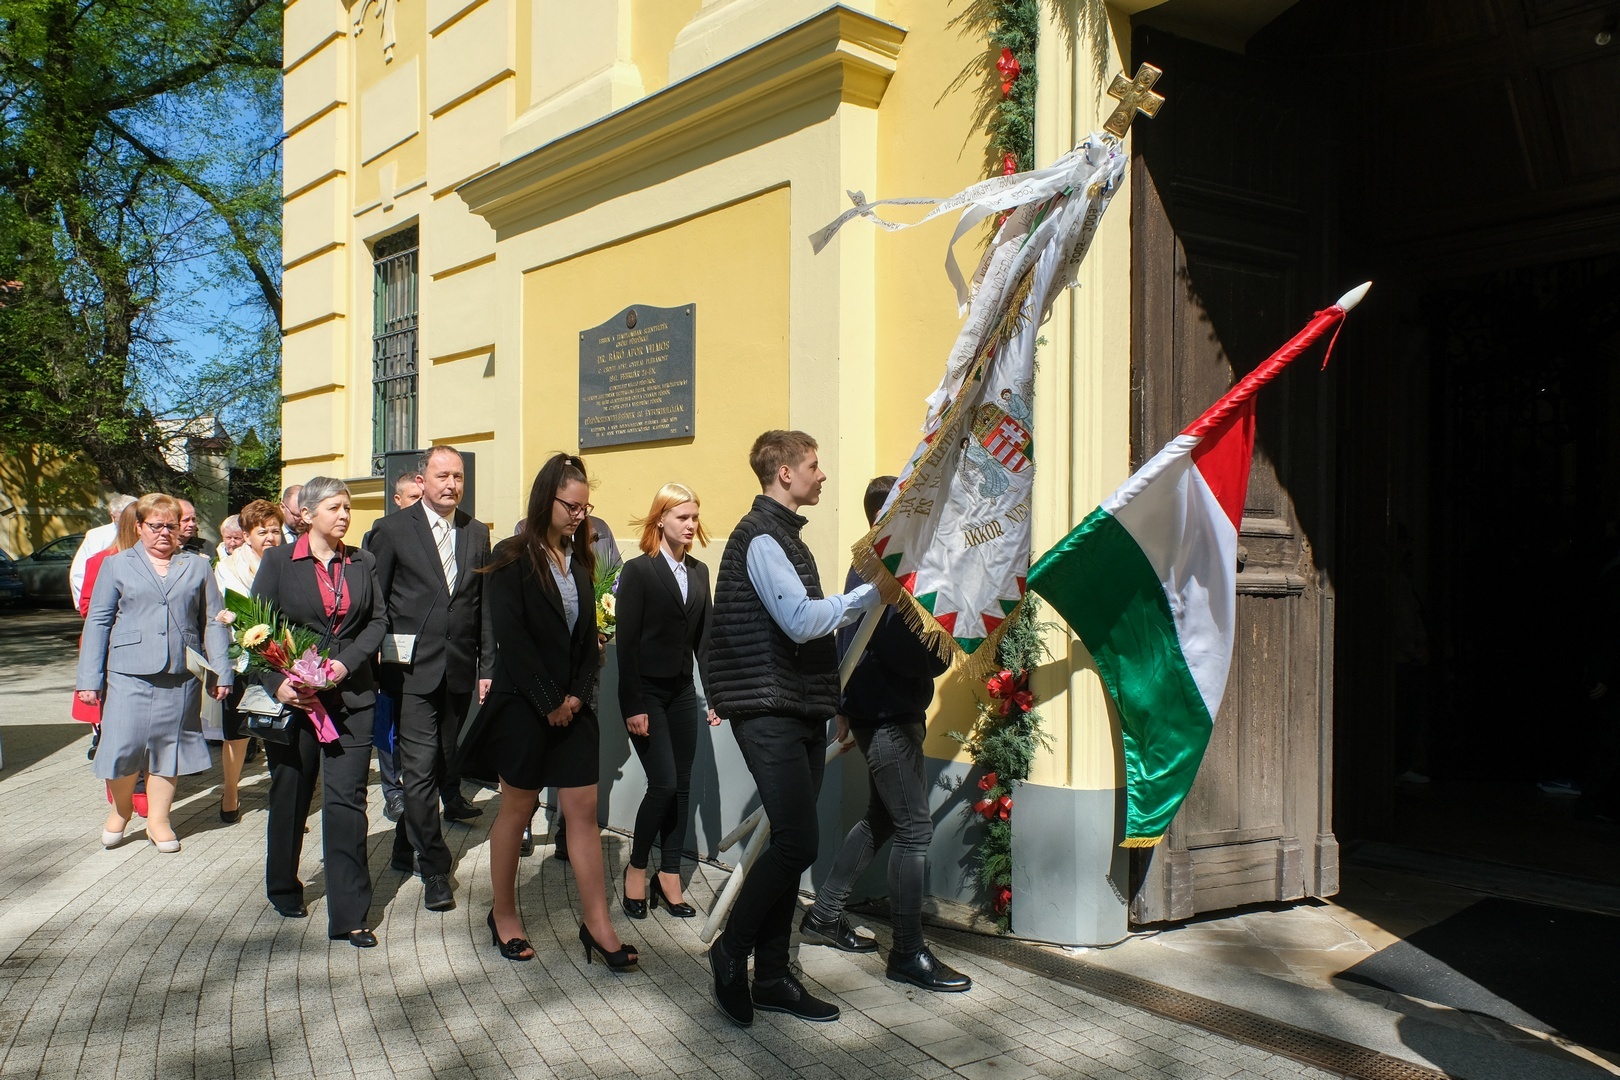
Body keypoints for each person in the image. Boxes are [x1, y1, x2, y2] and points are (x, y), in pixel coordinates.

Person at [704, 430, 881, 1026]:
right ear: (784, 473)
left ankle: (773, 977)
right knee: (798, 843)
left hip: (798, 709)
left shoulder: (784, 536)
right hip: (768, 710)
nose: (822, 475)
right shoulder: (760, 538)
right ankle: (731, 951)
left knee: (790, 840)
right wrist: (867, 595)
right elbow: (802, 622)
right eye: (813, 465)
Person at [460, 453, 637, 967]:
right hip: (524, 707)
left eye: (585, 507)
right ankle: (504, 914)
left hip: (574, 709)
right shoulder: (512, 555)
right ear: (546, 499)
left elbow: (587, 639)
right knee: (516, 810)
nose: (580, 516)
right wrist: (549, 702)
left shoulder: (578, 558)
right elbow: (513, 640)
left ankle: (598, 925)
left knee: (582, 814)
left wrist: (577, 695)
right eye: (571, 506)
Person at [799, 476, 970, 992]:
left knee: (883, 818)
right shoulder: (887, 565)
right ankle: (908, 953)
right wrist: (943, 650)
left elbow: (850, 638)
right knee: (914, 829)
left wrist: (845, 706)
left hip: (883, 711)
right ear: (891, 514)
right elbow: (898, 648)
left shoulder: (876, 560)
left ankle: (824, 915)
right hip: (887, 716)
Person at [251, 477, 388, 946]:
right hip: (296, 701)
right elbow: (254, 629)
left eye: (347, 507)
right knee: (292, 793)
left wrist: (346, 664)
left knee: (347, 800)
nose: (344, 515)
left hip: (351, 698)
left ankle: (350, 914)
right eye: (334, 507)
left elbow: (377, 622)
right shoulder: (278, 562)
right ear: (307, 515)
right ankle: (283, 886)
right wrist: (277, 684)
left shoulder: (362, 561)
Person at [368, 445, 494, 913]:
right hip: (410, 673)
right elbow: (376, 603)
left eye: (458, 476)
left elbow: (481, 606)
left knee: (441, 763)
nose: (452, 485)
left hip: (458, 670)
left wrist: (486, 667)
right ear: (422, 481)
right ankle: (435, 867)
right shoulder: (391, 530)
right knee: (419, 769)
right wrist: (373, 664)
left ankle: (405, 845)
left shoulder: (476, 532)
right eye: (443, 476)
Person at [76, 493, 233, 852]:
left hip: (179, 674)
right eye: (156, 525)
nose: (164, 532)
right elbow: (98, 622)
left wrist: (221, 671)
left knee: (168, 748)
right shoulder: (116, 565)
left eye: (171, 526)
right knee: (122, 746)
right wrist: (89, 680)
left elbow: (212, 620)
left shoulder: (197, 566)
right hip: (127, 672)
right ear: (139, 527)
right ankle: (122, 810)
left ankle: (159, 820)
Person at [616, 483, 717, 921]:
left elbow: (705, 643)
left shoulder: (700, 571)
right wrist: (633, 705)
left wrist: (714, 695)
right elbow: (626, 645)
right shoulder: (639, 571)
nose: (691, 525)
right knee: (664, 783)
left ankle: (670, 874)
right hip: (646, 695)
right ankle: (637, 868)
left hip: (681, 693)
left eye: (694, 517)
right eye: (683, 517)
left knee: (683, 784)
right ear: (661, 519)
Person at [212, 499, 284, 823]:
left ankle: (285, 801)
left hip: (281, 655)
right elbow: (229, 610)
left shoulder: (290, 560)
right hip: (241, 656)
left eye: (275, 530)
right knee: (237, 730)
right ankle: (230, 791)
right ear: (246, 535)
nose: (270, 537)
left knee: (280, 729)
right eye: (262, 531)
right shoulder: (229, 567)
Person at [363, 472, 423, 824]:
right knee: (389, 720)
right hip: (391, 648)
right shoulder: (384, 532)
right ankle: (393, 790)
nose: (419, 502)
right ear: (397, 500)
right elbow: (377, 594)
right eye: (412, 497)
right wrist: (376, 643)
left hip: (424, 651)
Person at [70, 493, 135, 609]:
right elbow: (79, 573)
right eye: (123, 516)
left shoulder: (145, 534)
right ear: (112, 515)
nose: (127, 522)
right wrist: (88, 608)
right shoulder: (96, 535)